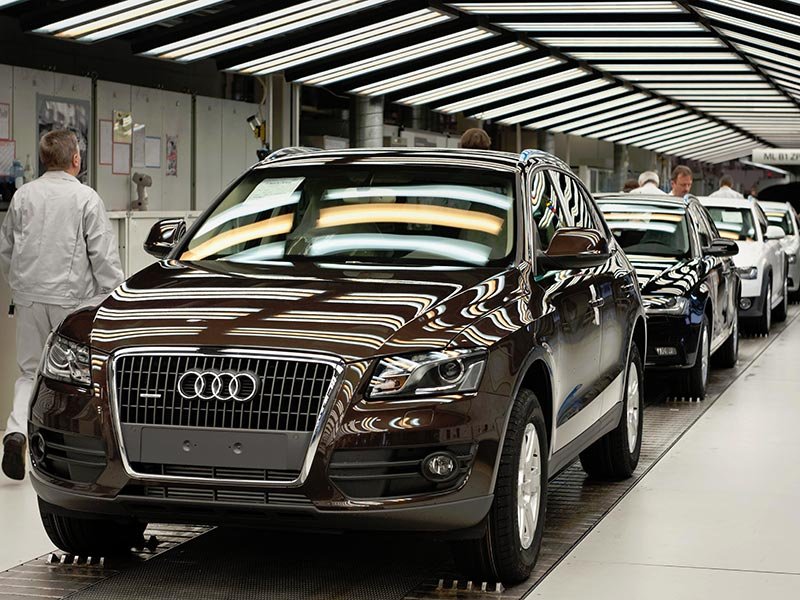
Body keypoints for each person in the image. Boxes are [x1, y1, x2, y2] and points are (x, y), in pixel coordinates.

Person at [0, 130, 124, 480]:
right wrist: (115, 294)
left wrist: (19, 286)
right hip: (70, 302)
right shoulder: (86, 197)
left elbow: (6, 249)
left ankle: (16, 432)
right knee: (70, 378)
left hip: (29, 297)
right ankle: (66, 450)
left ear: (44, 159)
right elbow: (103, 256)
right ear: (75, 159)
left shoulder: (23, 195)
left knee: (29, 373)